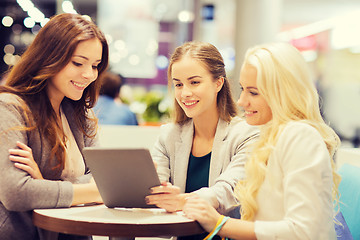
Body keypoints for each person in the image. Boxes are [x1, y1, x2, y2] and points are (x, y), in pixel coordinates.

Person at [183, 42, 341, 240]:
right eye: (243, 89)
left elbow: (302, 232)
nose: (241, 101)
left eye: (253, 92)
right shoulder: (267, 136)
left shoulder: (301, 137)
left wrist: (220, 224)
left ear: (283, 93)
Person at [0, 13, 109, 240]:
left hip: (77, 234)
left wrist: (42, 183)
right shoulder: (10, 108)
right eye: (78, 63)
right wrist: (92, 191)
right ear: (49, 57)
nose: (89, 74)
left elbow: (103, 179)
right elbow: (15, 192)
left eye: (95, 65)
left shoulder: (81, 114)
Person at [145, 41, 259, 239]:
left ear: (218, 83)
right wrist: (158, 189)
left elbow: (229, 190)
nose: (185, 93)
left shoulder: (247, 134)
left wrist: (181, 200)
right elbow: (157, 186)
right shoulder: (168, 135)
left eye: (194, 82)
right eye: (178, 84)